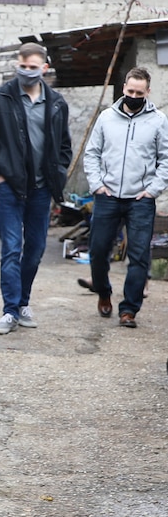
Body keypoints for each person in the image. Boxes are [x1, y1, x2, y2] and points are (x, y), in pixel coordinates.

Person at [0, 42, 72, 335]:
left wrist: (60, 174)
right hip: (9, 188)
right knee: (12, 248)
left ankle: (23, 302)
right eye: (22, 66)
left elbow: (64, 146)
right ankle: (9, 310)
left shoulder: (56, 103)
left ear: (44, 68)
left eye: (32, 67)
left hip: (42, 189)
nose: (26, 71)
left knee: (36, 248)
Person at [83, 67, 168, 327]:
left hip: (140, 200)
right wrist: (97, 185)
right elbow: (92, 153)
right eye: (130, 91)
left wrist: (153, 190)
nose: (133, 95)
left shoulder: (158, 120)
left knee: (140, 256)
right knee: (98, 251)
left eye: (139, 92)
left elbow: (165, 159)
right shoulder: (106, 118)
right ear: (123, 88)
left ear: (147, 92)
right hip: (107, 196)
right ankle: (104, 292)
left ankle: (128, 309)